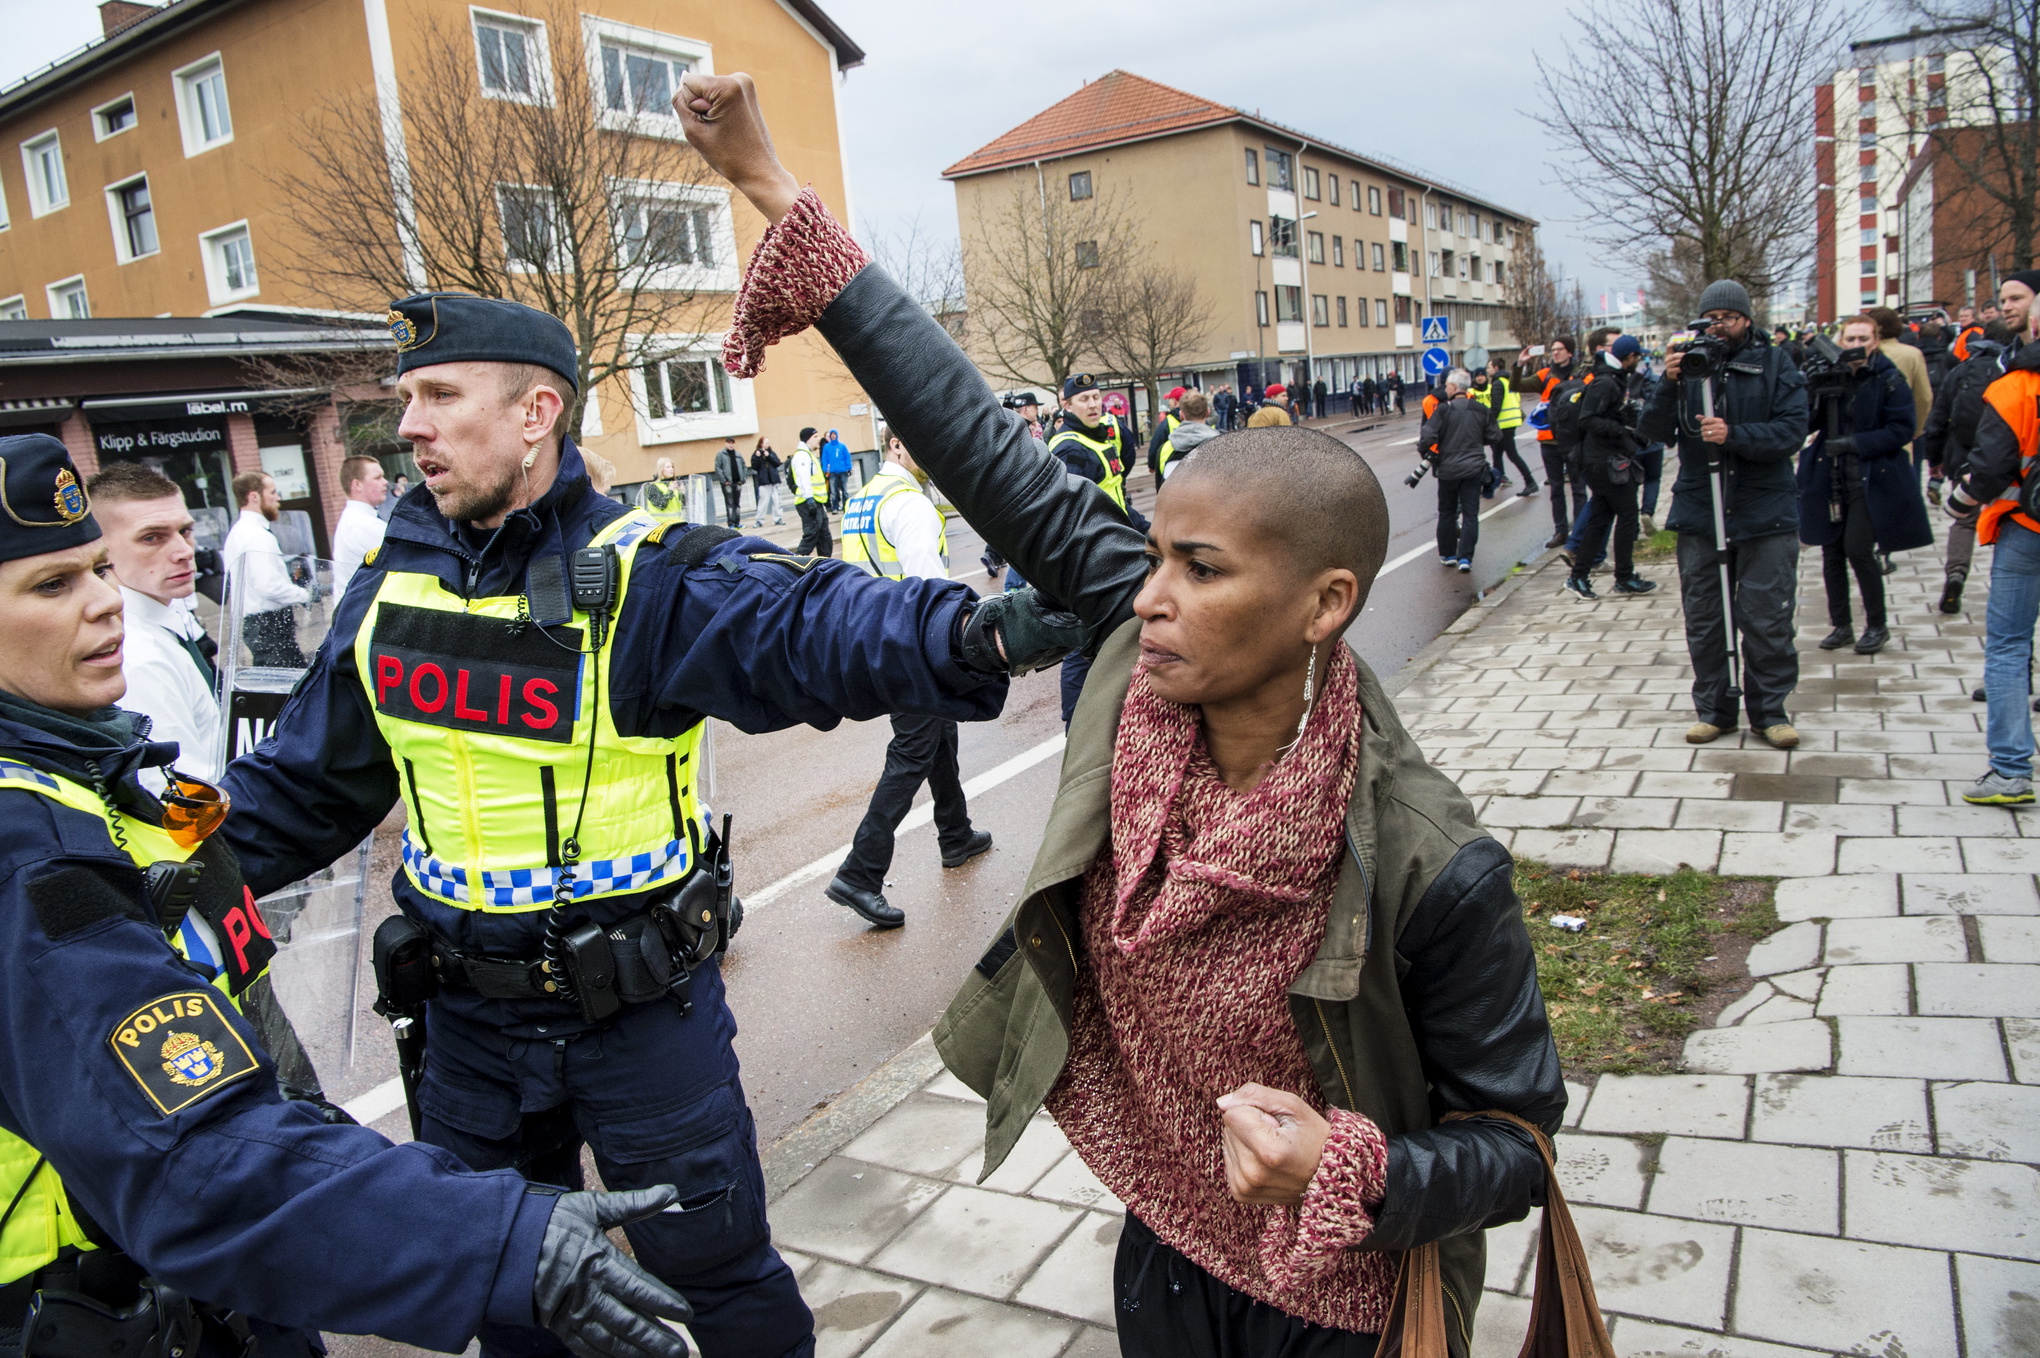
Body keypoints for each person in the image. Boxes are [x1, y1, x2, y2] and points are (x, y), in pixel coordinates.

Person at [670, 77, 1570, 1353]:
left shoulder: (1431, 861)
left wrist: (1351, 1165)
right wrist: (772, 188)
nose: (1148, 599)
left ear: (1326, 604)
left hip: (1345, 1304)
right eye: (1153, 558)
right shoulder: (1137, 670)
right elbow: (985, 449)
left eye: (1202, 571)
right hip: (1166, 1252)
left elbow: (1521, 1136)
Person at [217, 292, 1078, 1358]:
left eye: (439, 395)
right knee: (508, 1295)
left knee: (718, 1279)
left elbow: (806, 621)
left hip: (639, 1021)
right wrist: (149, 880)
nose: (410, 426)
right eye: (407, 400)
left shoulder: (643, 571)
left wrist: (980, 632)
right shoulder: (391, 586)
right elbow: (300, 789)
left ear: (537, 413)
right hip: (466, 1037)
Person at [0, 433, 699, 1358]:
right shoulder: (30, 854)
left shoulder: (83, 773)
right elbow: (190, 1154)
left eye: (96, 569)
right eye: (51, 586)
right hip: (101, 1307)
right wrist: (490, 1240)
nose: (101, 603)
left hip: (197, 1282)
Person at [826, 428, 994, 928]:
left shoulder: (862, 500)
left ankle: (955, 834)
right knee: (912, 752)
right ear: (898, 443)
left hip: (877, 636)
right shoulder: (912, 504)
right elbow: (931, 587)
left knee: (938, 733)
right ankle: (860, 874)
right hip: (914, 642)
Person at [1637, 278, 1809, 749]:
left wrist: (1734, 435)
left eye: (1726, 319)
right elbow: (1652, 431)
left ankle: (1770, 712)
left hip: (1765, 510)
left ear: (1746, 320)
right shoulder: (1689, 369)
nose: (1717, 328)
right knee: (1706, 617)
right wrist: (1669, 385)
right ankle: (1715, 711)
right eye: (1709, 319)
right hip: (1700, 509)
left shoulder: (1775, 363)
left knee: (1766, 615)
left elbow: (1792, 431)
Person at [1946, 271, 2040, 805]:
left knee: (2008, 645)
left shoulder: (2012, 387)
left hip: (2026, 528)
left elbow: (1988, 470)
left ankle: (2010, 771)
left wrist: (1955, 502)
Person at [1799, 316, 1929, 657]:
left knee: (1857, 548)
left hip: (1871, 477)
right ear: (1840, 341)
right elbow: (1806, 422)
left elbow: (1903, 429)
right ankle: (1841, 625)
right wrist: (1810, 390)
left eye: (1863, 337)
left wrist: (1855, 443)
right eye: (1850, 337)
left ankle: (1876, 624)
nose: (1856, 344)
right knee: (1831, 552)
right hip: (1829, 474)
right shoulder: (1831, 376)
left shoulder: (1889, 378)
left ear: (1875, 341)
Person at [89, 462, 223, 784]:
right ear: (100, 550)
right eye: (152, 538)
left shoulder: (166, 614)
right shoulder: (136, 657)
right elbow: (181, 792)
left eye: (185, 531)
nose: (183, 551)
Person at [1921, 294, 2027, 615]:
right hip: (2013, 462)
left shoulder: (1961, 371)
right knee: (2010, 523)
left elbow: (1937, 420)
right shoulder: (2017, 372)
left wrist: (1934, 462)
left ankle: (1956, 573)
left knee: (1965, 521)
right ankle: (2004, 585)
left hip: (1962, 458)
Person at [1048, 374, 1146, 723]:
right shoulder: (1069, 447)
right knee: (1082, 639)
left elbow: (1114, 488)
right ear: (1067, 405)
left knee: (1117, 635)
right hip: (1089, 559)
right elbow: (1068, 510)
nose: (1092, 404)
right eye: (1084, 399)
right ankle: (1075, 723)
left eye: (1095, 396)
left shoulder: (1105, 432)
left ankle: (1120, 714)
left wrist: (1141, 528)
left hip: (1115, 547)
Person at [1565, 335, 1659, 600]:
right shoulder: (1606, 382)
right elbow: (1588, 419)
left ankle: (1579, 577)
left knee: (1600, 519)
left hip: (1605, 459)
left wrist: (1629, 429)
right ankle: (1624, 577)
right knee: (1628, 516)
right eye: (1637, 357)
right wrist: (1620, 429)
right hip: (1602, 462)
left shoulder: (1613, 378)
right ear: (1629, 357)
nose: (1638, 361)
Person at [222, 472, 308, 667]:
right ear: (254, 497)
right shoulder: (258, 536)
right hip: (270, 627)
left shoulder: (238, 532)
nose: (278, 498)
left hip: (259, 626)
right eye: (273, 492)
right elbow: (268, 586)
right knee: (293, 691)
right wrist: (304, 594)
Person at [1419, 368, 1499, 573]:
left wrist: (1426, 453)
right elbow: (1495, 436)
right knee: (1471, 513)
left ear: (1453, 388)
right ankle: (1466, 558)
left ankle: (1448, 554)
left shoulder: (1444, 410)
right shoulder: (1480, 409)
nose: (1445, 389)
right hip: (1474, 469)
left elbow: (1427, 435)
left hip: (1448, 470)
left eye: (1447, 386)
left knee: (1447, 512)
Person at [1526, 338, 1588, 548]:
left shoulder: (1582, 375)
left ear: (1569, 352)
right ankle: (1560, 531)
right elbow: (1517, 385)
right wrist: (1519, 364)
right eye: (1553, 350)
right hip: (1549, 440)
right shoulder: (1545, 375)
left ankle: (1579, 532)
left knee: (1579, 488)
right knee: (1556, 489)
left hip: (1573, 439)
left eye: (1559, 350)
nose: (1555, 353)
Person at [1470, 365, 1537, 495]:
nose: (1487, 370)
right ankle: (1496, 481)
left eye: (1489, 367)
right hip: (1508, 423)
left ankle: (1530, 481)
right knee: (1497, 453)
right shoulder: (1507, 381)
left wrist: (1487, 424)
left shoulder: (1497, 383)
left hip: (1503, 426)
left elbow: (1496, 407)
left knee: (1512, 455)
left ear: (1495, 368)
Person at [331, 455, 389, 600]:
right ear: (357, 485)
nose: (385, 482)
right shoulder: (364, 524)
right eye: (377, 478)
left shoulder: (353, 518)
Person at [788, 427, 831, 556]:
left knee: (824, 537)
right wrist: (809, 499)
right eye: (815, 437)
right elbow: (803, 478)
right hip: (808, 501)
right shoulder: (802, 455)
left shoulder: (808, 454)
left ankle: (826, 566)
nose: (819, 439)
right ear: (808, 439)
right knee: (811, 535)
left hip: (816, 501)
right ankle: (794, 564)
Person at [1159, 390, 1218, 479]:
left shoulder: (1166, 448)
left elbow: (1160, 485)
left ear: (1181, 415)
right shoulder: (1223, 445)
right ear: (1208, 412)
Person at [1146, 387, 1185, 479]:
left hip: (1172, 470)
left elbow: (1155, 445)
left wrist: (1152, 465)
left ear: (1175, 401)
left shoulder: (1167, 422)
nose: (1169, 403)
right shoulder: (1197, 418)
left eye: (1170, 400)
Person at [748, 437, 784, 526]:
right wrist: (757, 457)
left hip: (774, 480)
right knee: (763, 501)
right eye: (766, 443)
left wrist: (769, 456)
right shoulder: (756, 453)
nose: (768, 444)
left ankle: (778, 518)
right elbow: (754, 467)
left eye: (768, 442)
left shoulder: (771, 452)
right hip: (764, 481)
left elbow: (777, 463)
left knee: (777, 500)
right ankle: (759, 520)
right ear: (761, 444)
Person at [714, 436, 746, 529]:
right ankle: (731, 524)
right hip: (727, 483)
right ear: (725, 443)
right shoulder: (721, 454)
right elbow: (718, 468)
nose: (731, 445)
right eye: (729, 443)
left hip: (738, 482)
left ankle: (737, 522)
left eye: (732, 443)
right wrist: (724, 481)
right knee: (730, 504)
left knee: (737, 504)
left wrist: (743, 479)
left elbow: (744, 467)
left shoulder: (738, 454)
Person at [819, 428, 851, 511]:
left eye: (834, 434)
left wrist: (849, 468)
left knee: (845, 491)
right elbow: (824, 459)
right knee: (834, 492)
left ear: (837, 435)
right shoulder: (827, 447)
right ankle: (835, 507)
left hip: (843, 471)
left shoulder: (842, 446)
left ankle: (846, 507)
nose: (833, 436)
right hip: (832, 472)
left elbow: (847, 457)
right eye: (831, 435)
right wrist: (825, 469)